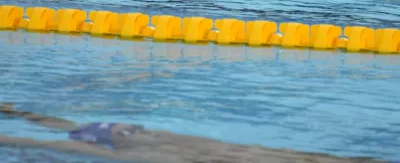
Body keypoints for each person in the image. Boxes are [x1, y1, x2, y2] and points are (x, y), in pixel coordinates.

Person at [0, 103, 378, 163]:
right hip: (124, 138)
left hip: (126, 137)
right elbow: (37, 137)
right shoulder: (129, 153)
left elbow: (47, 132)